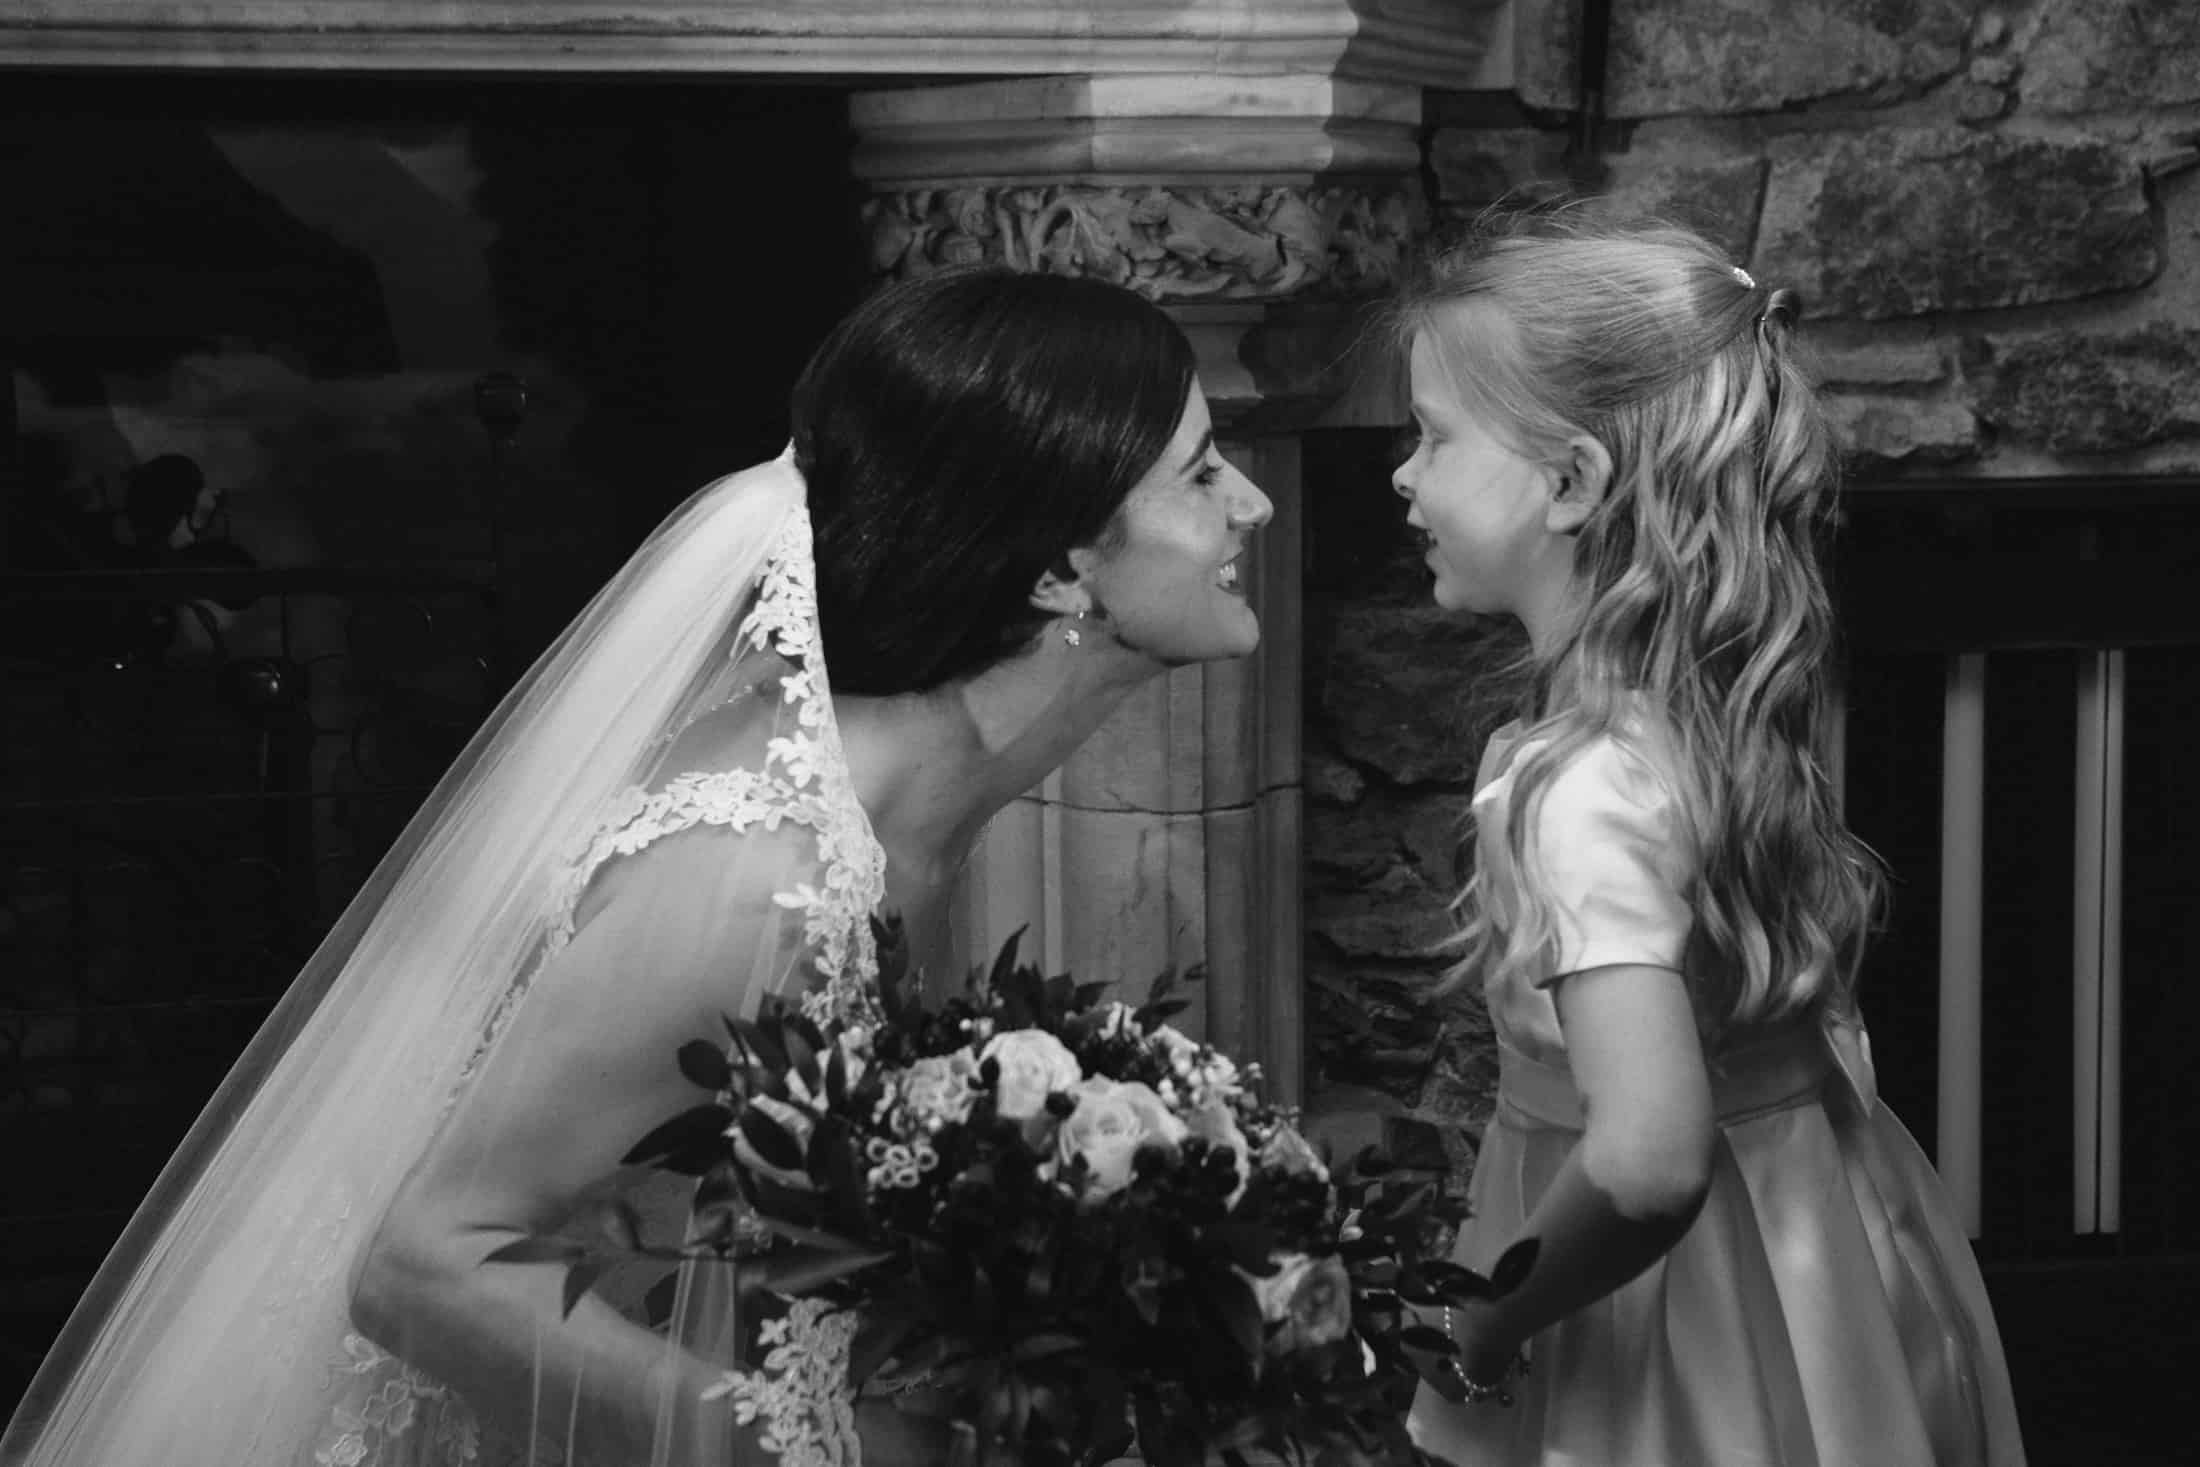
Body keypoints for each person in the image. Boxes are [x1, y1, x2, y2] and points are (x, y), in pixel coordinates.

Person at [1, 266, 1273, 1467]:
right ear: (1057, 570)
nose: (1253, 505)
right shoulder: (752, 870)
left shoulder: (929, 797)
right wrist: (802, 1453)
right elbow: (419, 1264)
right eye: (1203, 473)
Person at [1394, 213, 2025, 1466]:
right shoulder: (1706, 722)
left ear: (1571, 482)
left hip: (1667, 1342)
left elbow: (1641, 1163)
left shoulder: (1577, 789)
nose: (1404, 475)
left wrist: (1477, 1329)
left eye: (1433, 435)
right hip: (1824, 1279)